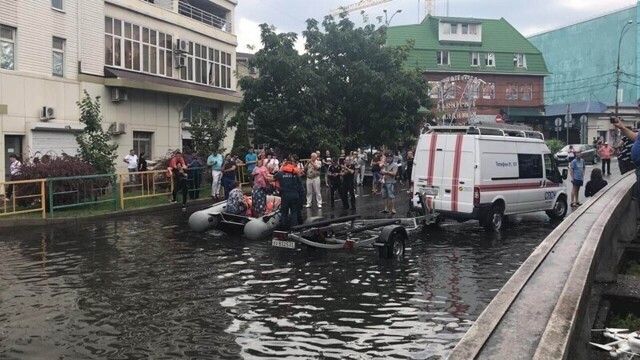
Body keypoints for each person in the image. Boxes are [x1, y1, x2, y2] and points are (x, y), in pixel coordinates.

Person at [614, 117, 640, 211]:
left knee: (626, 177)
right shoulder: (635, 134)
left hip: (626, 160)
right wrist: (622, 127)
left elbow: (619, 145)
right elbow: (635, 137)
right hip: (631, 162)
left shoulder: (627, 137)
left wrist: (616, 147)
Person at [274, 158, 304, 230]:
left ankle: (284, 229)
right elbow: (300, 186)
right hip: (295, 195)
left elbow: (271, 179)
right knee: (294, 212)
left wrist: (263, 175)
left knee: (284, 213)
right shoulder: (295, 173)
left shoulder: (280, 173)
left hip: (285, 195)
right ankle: (295, 229)